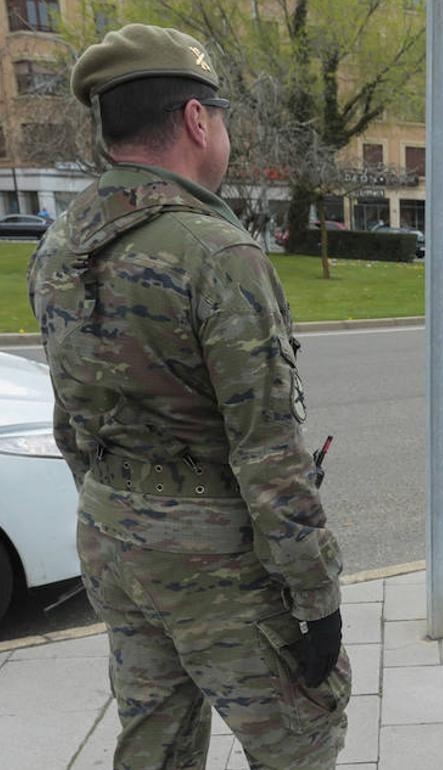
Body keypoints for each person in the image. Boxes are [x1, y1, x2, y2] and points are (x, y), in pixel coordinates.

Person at [27, 24, 348, 768]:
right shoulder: (214, 252)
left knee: (155, 733)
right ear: (197, 121)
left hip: (112, 533)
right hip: (213, 554)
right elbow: (268, 453)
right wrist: (315, 596)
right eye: (221, 115)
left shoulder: (61, 244)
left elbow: (70, 420)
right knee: (303, 736)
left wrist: (118, 505)